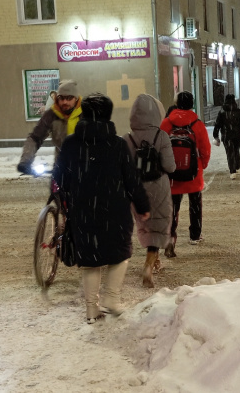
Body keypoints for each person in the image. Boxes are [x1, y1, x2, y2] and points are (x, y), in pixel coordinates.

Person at [54, 93, 150, 324]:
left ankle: (91, 309)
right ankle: (112, 299)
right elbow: (131, 179)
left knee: (90, 258)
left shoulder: (70, 144)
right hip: (114, 209)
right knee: (120, 254)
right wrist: (142, 205)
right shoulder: (117, 144)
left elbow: (59, 178)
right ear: (108, 114)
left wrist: (65, 201)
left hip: (82, 210)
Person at [126, 94, 175, 288]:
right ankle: (150, 263)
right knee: (160, 224)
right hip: (159, 185)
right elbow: (170, 166)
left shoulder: (127, 138)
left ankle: (153, 261)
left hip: (136, 188)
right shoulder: (161, 136)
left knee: (144, 224)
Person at [160, 91, 211, 253]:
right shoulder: (197, 124)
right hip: (193, 172)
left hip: (172, 173)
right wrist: (203, 164)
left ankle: (170, 235)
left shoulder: (167, 123)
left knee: (172, 206)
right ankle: (195, 235)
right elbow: (205, 148)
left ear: (176, 104)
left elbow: (159, 146)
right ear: (192, 104)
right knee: (195, 204)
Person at [17, 80, 82, 174]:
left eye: (69, 98)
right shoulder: (51, 115)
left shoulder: (85, 113)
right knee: (57, 188)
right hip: (61, 167)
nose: (65, 102)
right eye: (61, 98)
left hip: (83, 167)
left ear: (76, 99)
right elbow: (35, 138)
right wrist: (25, 161)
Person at [212, 94, 240, 180]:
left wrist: (215, 135)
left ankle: (232, 171)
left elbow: (217, 125)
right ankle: (237, 166)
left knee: (230, 152)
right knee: (236, 150)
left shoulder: (222, 112)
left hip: (226, 135)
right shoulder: (238, 111)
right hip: (237, 135)